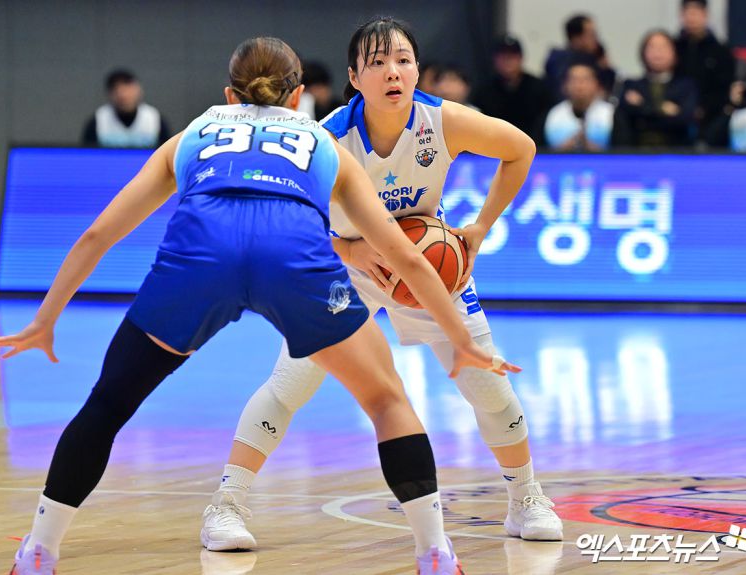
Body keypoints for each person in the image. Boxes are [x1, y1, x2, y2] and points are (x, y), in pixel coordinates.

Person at [0, 36, 514, 575]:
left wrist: (43, 320)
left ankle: (39, 551)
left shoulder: (193, 134)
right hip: (291, 258)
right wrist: (462, 341)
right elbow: (404, 256)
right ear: (298, 98)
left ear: (229, 96)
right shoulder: (323, 141)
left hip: (200, 256)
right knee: (386, 400)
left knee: (107, 405)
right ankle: (434, 552)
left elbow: (98, 234)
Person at [199, 16, 562, 559]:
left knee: (486, 382)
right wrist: (350, 252)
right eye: (377, 62)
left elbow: (522, 149)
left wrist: (481, 227)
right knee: (292, 381)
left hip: (424, 264)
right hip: (345, 265)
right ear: (354, 77)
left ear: (417, 71)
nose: (393, 71)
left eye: (403, 60)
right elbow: (282, 218)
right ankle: (226, 503)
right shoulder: (326, 139)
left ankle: (526, 498)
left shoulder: (444, 121)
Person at [617, 30, 698, 148]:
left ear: (674, 53)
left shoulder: (685, 86)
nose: (658, 52)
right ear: (643, 53)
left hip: (677, 151)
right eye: (652, 47)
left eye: (663, 47)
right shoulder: (631, 85)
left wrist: (643, 106)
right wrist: (662, 109)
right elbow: (625, 118)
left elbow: (684, 119)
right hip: (637, 152)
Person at [471, 35, 551, 141]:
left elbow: (546, 121)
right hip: (493, 146)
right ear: (495, 59)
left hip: (534, 146)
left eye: (512, 56)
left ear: (521, 58)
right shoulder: (484, 91)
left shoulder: (539, 88)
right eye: (503, 56)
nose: (507, 60)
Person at [675, 0, 735, 136]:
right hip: (678, 115)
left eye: (696, 12)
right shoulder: (674, 49)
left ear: (705, 15)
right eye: (687, 13)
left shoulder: (721, 51)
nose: (691, 18)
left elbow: (724, 87)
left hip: (712, 116)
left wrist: (705, 108)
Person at [82, 69, 170, 148]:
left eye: (127, 88)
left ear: (139, 90)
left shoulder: (154, 119)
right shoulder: (98, 120)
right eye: (116, 89)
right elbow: (87, 155)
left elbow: (169, 154)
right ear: (109, 94)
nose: (123, 95)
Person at [543, 61, 617, 151]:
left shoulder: (612, 115)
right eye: (574, 80)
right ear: (564, 85)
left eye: (585, 80)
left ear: (597, 85)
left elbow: (624, 152)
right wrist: (564, 149)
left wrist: (590, 147)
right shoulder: (553, 115)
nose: (579, 86)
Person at [544, 14, 616, 101]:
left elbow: (610, 90)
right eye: (591, 34)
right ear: (576, 38)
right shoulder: (559, 61)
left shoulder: (596, 58)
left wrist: (606, 69)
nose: (596, 38)